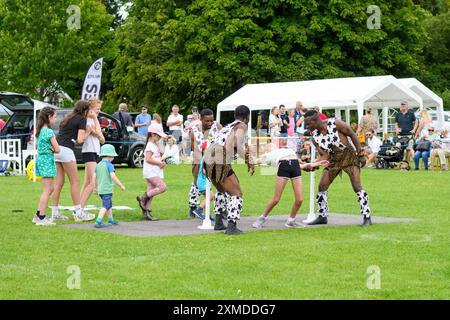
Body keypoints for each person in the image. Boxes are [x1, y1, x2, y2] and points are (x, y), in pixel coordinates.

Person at [304, 110, 372, 227]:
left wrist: (360, 153)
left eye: (308, 123)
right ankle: (322, 216)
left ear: (315, 121)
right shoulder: (315, 138)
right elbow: (324, 155)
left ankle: (367, 216)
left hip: (349, 157)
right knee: (322, 186)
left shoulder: (334, 124)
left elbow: (352, 134)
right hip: (333, 160)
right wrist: (313, 165)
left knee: (356, 186)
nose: (307, 126)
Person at [252, 138, 329, 229]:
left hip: (295, 165)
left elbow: (302, 165)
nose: (272, 146)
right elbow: (254, 161)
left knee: (299, 199)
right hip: (284, 166)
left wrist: (317, 164)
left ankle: (291, 221)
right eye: (269, 146)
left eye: (272, 145)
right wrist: (247, 156)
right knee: (276, 199)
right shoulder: (268, 156)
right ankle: (261, 219)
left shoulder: (289, 150)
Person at [203, 105, 255, 235]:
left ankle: (219, 222)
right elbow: (236, 143)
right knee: (237, 193)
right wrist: (248, 160)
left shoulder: (228, 126)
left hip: (208, 158)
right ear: (247, 117)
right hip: (220, 159)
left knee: (221, 190)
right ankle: (232, 226)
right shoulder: (242, 125)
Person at [51, 100, 94, 222]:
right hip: (66, 151)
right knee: (75, 181)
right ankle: (79, 213)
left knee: (59, 183)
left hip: (56, 149)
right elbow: (80, 140)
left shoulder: (68, 117)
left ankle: (55, 212)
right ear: (85, 110)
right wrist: (88, 132)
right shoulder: (81, 119)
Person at [188, 109, 222, 220]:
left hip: (214, 159)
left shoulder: (217, 126)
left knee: (219, 184)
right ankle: (193, 206)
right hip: (199, 160)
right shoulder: (194, 130)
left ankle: (220, 210)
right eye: (207, 121)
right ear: (201, 119)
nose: (209, 123)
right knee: (197, 183)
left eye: (211, 120)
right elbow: (193, 147)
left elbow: (223, 140)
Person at [32, 107, 61, 226]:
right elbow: (58, 149)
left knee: (50, 189)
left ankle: (38, 214)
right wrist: (53, 149)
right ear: (49, 117)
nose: (55, 119)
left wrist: (51, 149)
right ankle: (41, 217)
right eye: (54, 117)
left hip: (41, 159)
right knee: (47, 190)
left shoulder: (39, 131)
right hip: (47, 160)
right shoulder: (49, 132)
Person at [136, 123, 168, 220]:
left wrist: (161, 162)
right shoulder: (150, 145)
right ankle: (143, 197)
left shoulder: (154, 145)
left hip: (155, 171)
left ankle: (146, 212)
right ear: (152, 134)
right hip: (150, 172)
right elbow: (148, 159)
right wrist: (159, 164)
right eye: (158, 136)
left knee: (152, 192)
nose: (159, 138)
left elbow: (155, 157)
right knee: (163, 187)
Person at [80, 98, 105, 213]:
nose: (98, 111)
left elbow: (102, 139)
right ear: (90, 109)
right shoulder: (86, 120)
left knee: (86, 183)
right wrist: (94, 132)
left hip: (95, 152)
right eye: (97, 109)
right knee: (92, 183)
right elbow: (86, 136)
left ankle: (78, 206)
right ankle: (80, 209)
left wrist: (96, 131)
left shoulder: (95, 120)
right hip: (88, 151)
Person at [92, 144, 125, 227]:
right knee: (106, 205)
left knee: (109, 204)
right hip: (107, 189)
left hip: (101, 190)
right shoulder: (109, 165)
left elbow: (94, 177)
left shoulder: (98, 165)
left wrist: (94, 187)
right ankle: (98, 221)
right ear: (109, 156)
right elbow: (113, 176)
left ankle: (111, 220)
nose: (113, 158)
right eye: (113, 156)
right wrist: (121, 185)